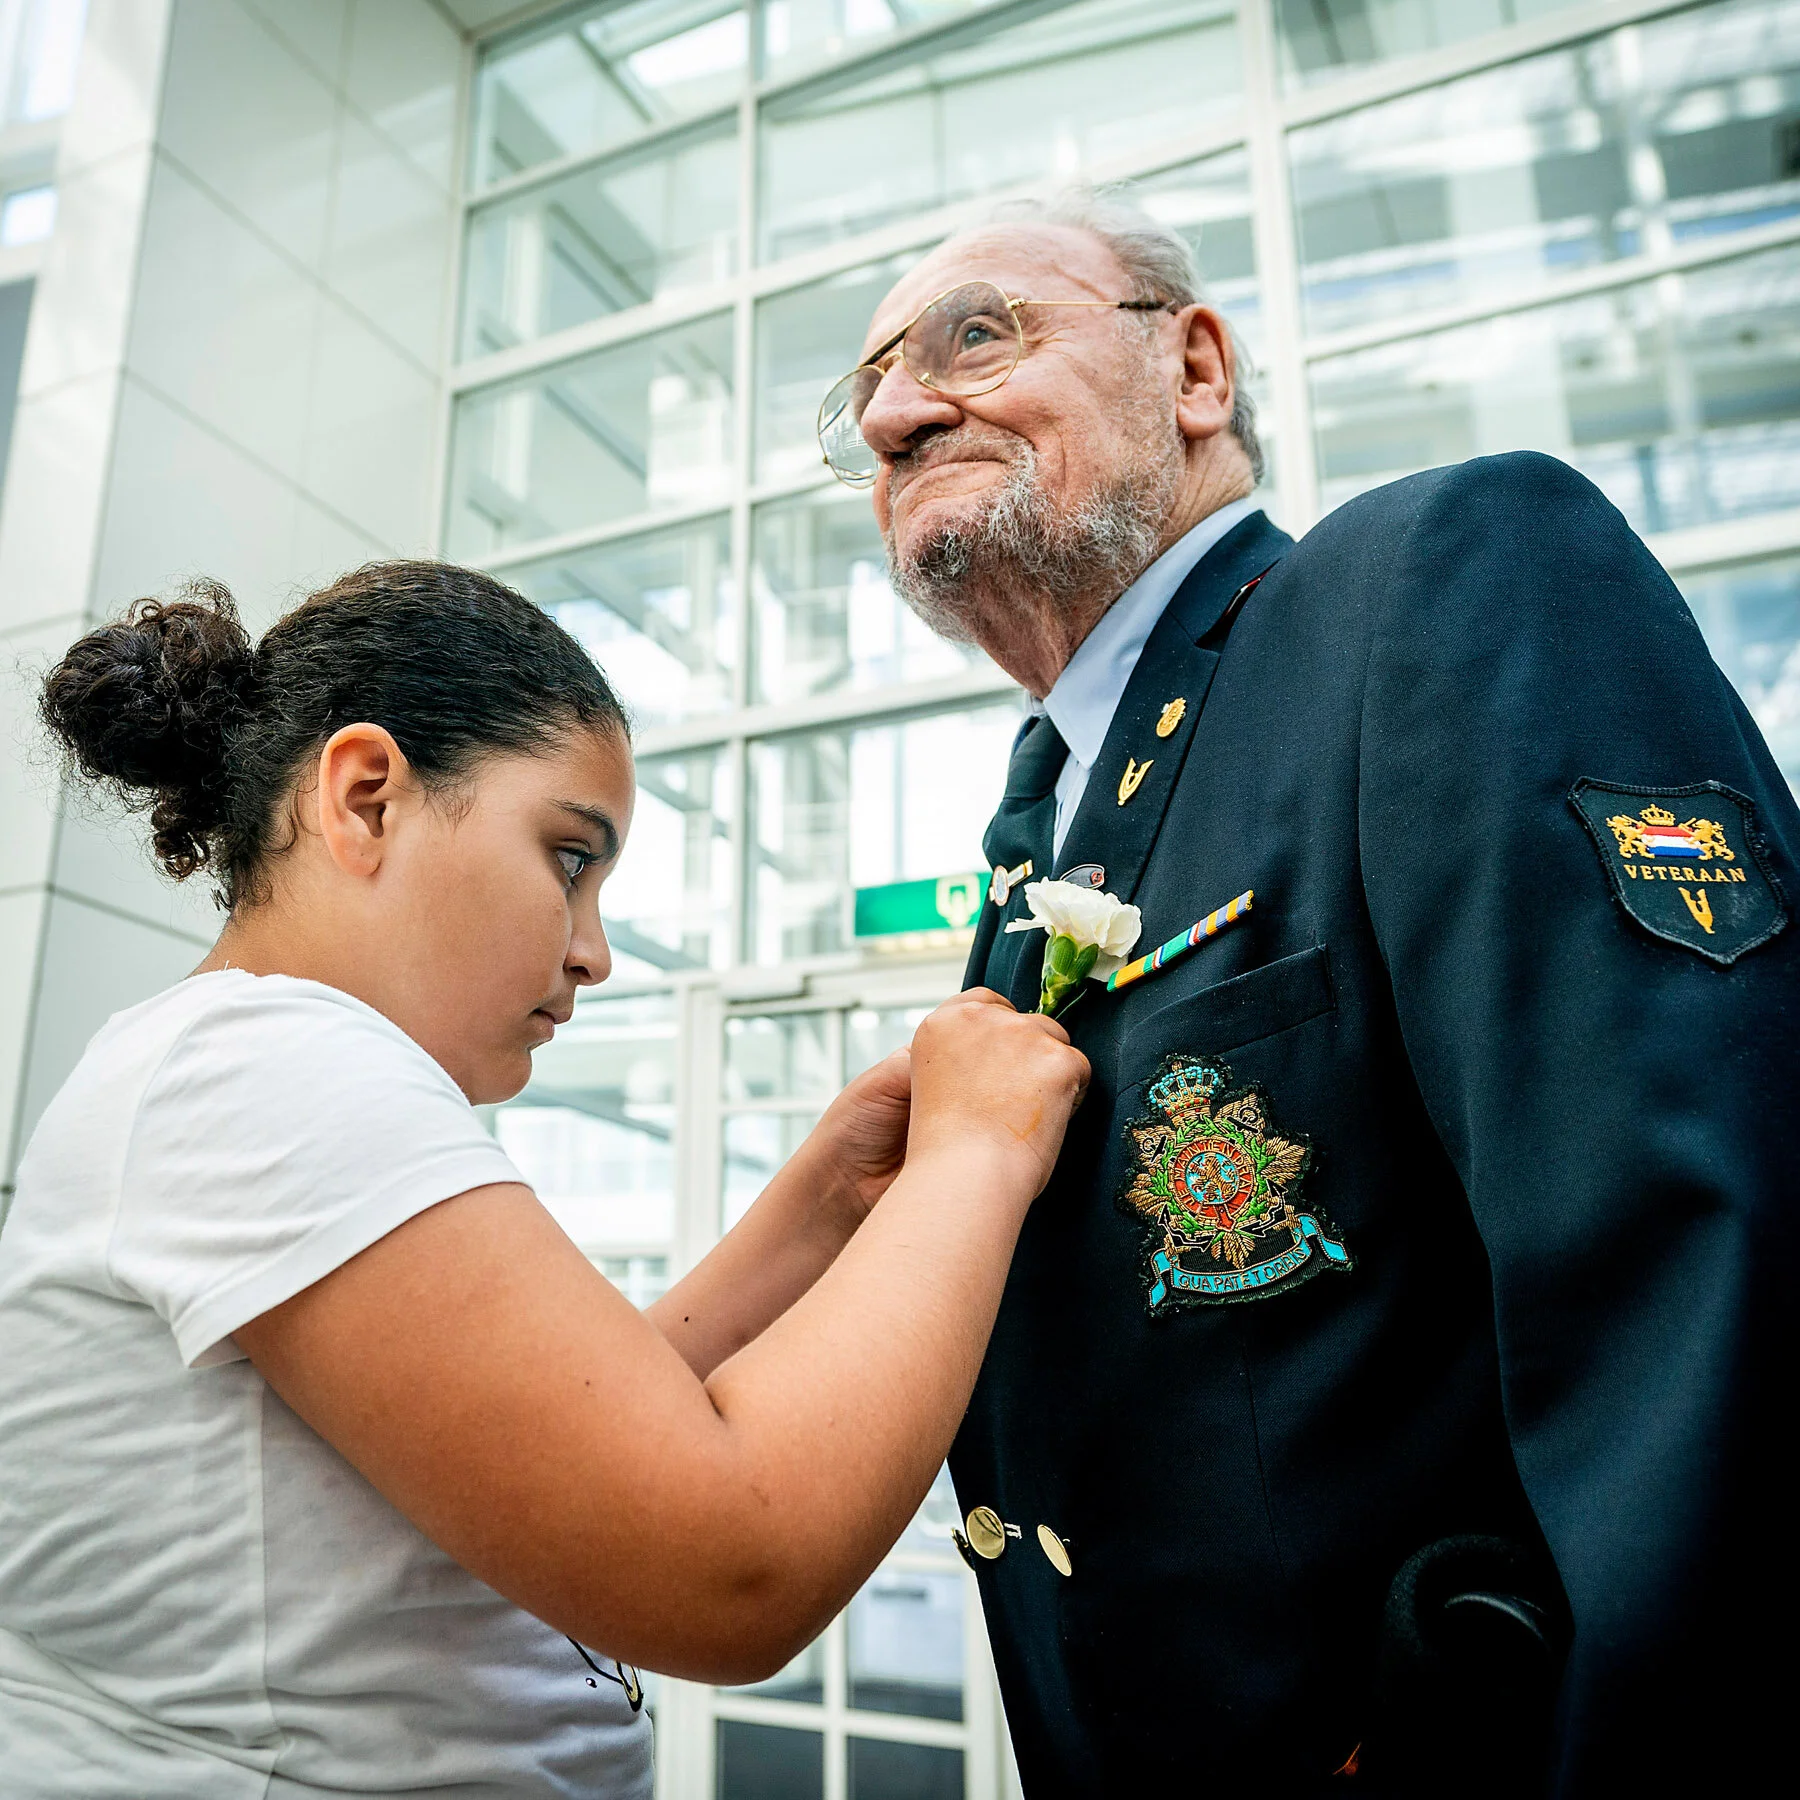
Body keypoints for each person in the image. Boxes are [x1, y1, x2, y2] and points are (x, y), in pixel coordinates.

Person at [822, 188, 1799, 1795]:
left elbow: (1705, 1255)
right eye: (866, 396)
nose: (893, 416)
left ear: (1195, 369)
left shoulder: (1442, 577)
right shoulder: (1036, 818)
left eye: (974, 337)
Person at [0, 563, 1088, 1798]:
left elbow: (585, 1438)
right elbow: (730, 1568)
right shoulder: (267, 1066)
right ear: (365, 800)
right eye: (570, 858)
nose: (595, 953)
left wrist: (832, 1201)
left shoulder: (235, 1064)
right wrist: (974, 1155)